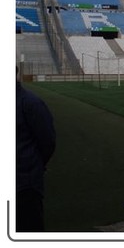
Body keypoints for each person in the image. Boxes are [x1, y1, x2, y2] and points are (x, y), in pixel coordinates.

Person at [16, 67, 56, 232]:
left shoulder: (31, 103)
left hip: (25, 183)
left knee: (29, 227)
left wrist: (35, 165)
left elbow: (47, 141)